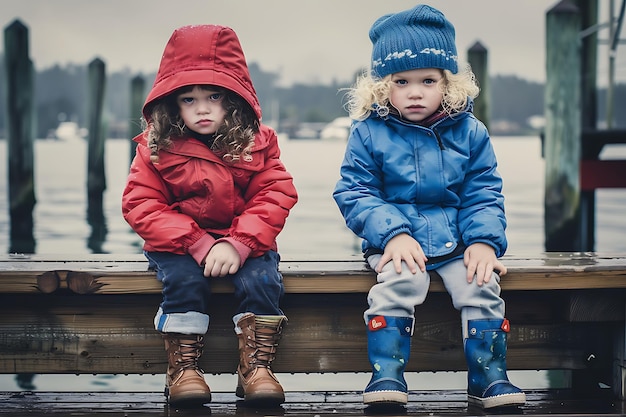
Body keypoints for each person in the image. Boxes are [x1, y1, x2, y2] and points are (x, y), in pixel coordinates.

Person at [333, 4, 525, 410]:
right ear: (384, 86)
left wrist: (484, 242)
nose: (415, 91)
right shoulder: (369, 133)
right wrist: (393, 234)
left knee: (481, 285)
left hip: (457, 240)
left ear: (448, 83)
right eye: (402, 81)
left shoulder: (471, 132)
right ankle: (387, 373)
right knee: (400, 284)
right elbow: (355, 192)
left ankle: (489, 377)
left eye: (428, 80)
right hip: (395, 240)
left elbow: (483, 192)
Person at [122, 25, 298, 408]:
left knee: (263, 280)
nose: (202, 108)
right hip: (179, 245)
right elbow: (141, 204)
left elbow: (275, 193)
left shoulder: (257, 144)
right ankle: (183, 370)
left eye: (214, 96)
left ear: (233, 99)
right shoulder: (156, 149)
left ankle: (256, 367)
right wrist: (197, 243)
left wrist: (240, 243)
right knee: (184, 282)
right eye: (189, 98)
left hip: (245, 243)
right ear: (172, 104)